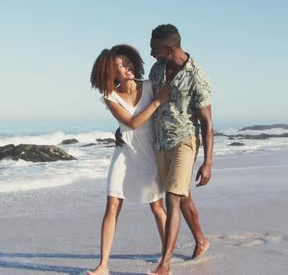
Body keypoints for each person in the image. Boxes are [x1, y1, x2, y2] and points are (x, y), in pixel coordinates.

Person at [88, 44, 171, 275]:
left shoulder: (150, 86)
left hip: (149, 153)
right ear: (111, 73)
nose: (128, 67)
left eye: (129, 62)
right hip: (124, 153)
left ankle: (166, 261)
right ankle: (103, 265)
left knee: (157, 207)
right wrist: (156, 103)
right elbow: (132, 123)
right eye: (121, 65)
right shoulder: (110, 97)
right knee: (112, 205)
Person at [148, 24, 214, 275]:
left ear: (171, 48)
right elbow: (147, 101)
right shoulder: (158, 69)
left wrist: (207, 162)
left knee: (172, 198)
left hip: (185, 142)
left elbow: (207, 123)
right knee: (182, 193)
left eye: (155, 48)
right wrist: (124, 127)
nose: (151, 52)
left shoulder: (197, 76)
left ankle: (164, 265)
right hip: (160, 142)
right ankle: (201, 240)